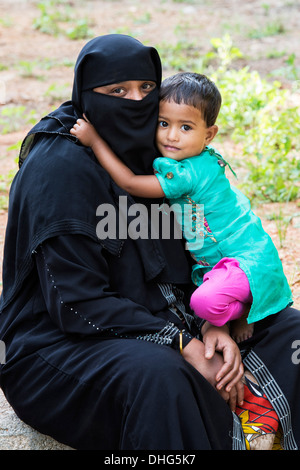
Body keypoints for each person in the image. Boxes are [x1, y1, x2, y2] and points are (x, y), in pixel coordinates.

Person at [0, 34, 299, 451]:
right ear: (87, 94)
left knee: (290, 330)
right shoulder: (59, 172)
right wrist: (184, 344)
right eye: (117, 91)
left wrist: (218, 322)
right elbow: (74, 303)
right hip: (63, 342)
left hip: (173, 313)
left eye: (146, 89)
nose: (136, 102)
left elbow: (199, 252)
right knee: (162, 376)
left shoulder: (160, 150)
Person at [70, 72, 293, 344]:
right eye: (163, 123)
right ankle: (231, 313)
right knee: (205, 302)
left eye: (185, 127)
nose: (171, 136)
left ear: (209, 134)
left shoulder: (188, 174)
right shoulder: (193, 160)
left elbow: (129, 183)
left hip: (243, 261)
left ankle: (245, 311)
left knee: (202, 303)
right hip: (225, 262)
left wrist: (95, 141)